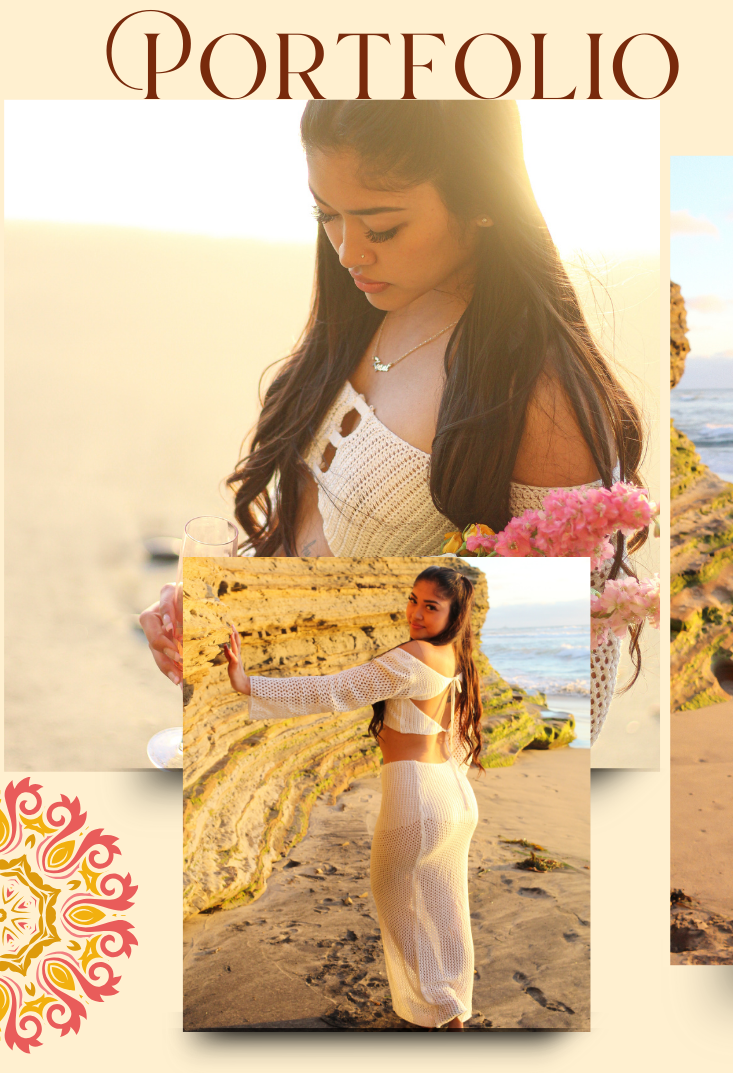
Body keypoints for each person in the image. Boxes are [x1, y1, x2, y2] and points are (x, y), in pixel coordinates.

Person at [137, 101, 646, 743]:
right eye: (327, 216)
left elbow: (567, 692)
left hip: (369, 767)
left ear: (483, 199)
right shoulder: (369, 310)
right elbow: (316, 540)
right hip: (273, 717)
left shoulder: (538, 396)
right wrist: (220, 602)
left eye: (381, 227)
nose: (349, 253)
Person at [227, 566, 483, 1029]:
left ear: (454, 613)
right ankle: (452, 1005)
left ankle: (443, 1014)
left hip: (417, 794)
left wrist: (250, 684)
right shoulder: (454, 658)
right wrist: (453, 792)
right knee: (445, 906)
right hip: (451, 792)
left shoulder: (413, 657)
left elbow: (335, 690)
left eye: (431, 606)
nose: (416, 614)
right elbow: (459, 735)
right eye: (413, 600)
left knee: (396, 898)